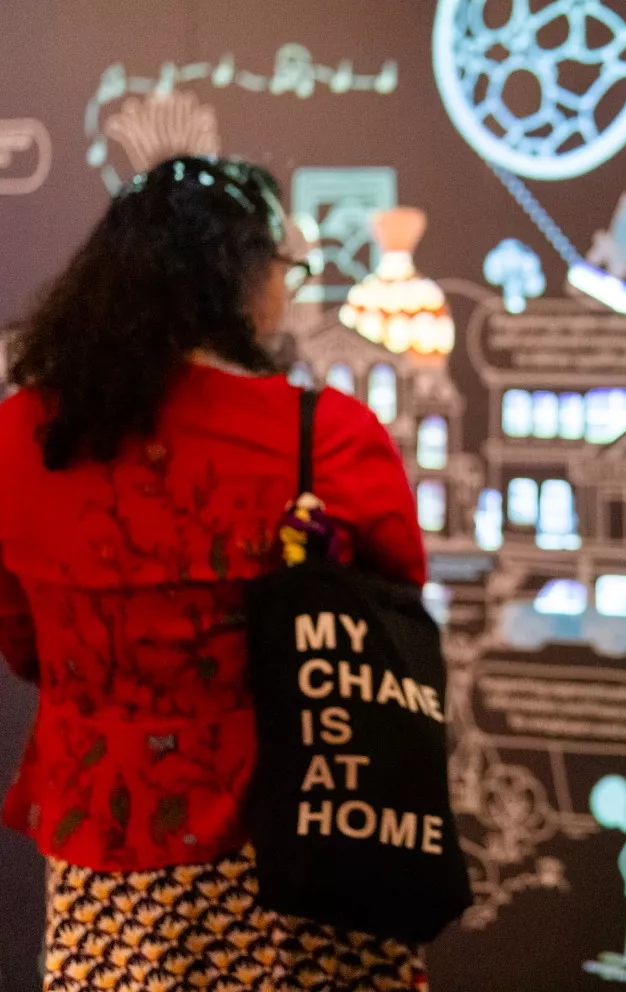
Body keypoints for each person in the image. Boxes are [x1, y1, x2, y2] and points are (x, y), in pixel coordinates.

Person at [0, 157, 429, 991]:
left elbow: (22, 641)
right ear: (239, 279)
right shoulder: (325, 438)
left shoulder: (20, 438)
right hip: (300, 845)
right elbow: (396, 609)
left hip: (102, 856)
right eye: (286, 269)